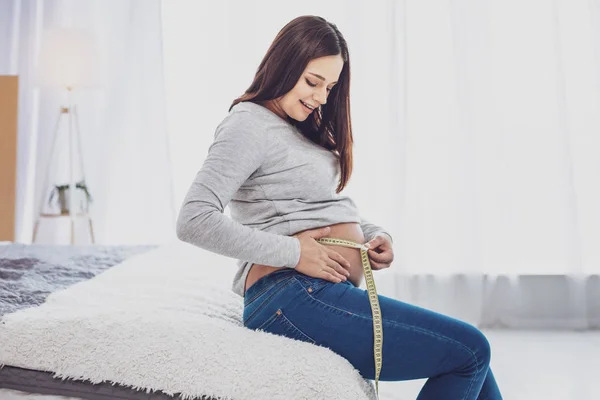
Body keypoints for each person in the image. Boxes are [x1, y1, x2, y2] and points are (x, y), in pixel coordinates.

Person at [176, 15, 503, 400]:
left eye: (329, 87)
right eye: (313, 82)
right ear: (284, 65)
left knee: (472, 356)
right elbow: (193, 219)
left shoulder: (301, 126)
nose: (320, 97)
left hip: (310, 292)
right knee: (470, 349)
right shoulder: (248, 124)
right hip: (289, 295)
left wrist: (372, 233)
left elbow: (320, 207)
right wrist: (295, 252)